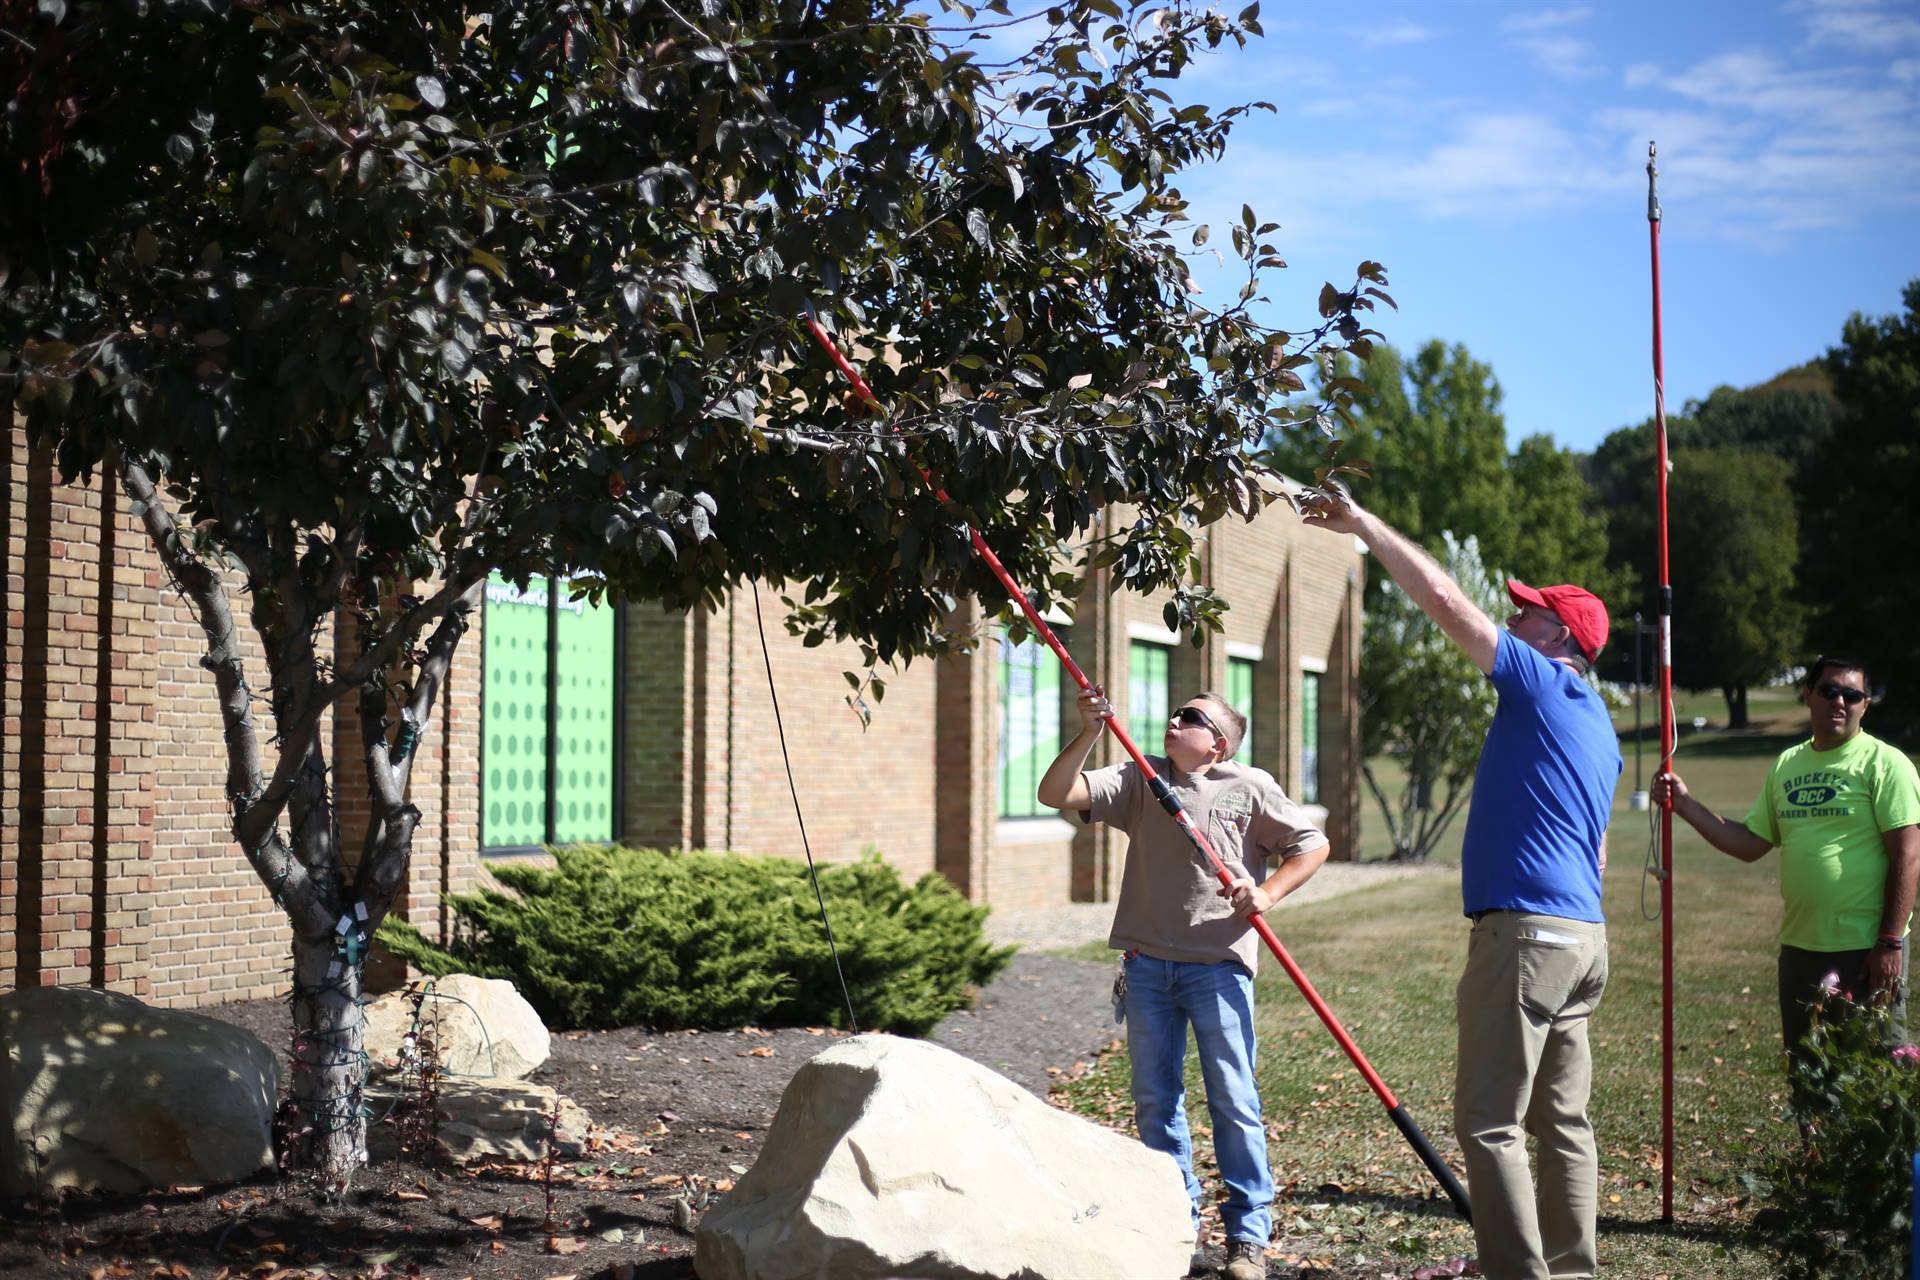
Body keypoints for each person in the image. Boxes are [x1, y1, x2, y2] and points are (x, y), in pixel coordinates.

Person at [1299, 487, 1620, 1280]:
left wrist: (1365, 526)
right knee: (1564, 1123)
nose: (1512, 619)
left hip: (1530, 938)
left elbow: (1445, 601)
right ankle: (1569, 1271)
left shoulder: (1542, 685)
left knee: (1489, 1121)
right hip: (1584, 941)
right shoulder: (1601, 725)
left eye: (1528, 613)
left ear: (1562, 638)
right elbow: (1602, 849)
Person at [1038, 687, 1330, 1280]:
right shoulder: (1138, 778)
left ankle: (1247, 1236)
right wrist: (1090, 730)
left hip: (1218, 966)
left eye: (1191, 718)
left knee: (1233, 1098)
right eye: (1176, 713)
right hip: (1146, 965)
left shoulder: (1248, 786)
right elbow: (1055, 793)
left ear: (1218, 741)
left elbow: (1312, 845)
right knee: (1155, 1103)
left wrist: (1267, 892)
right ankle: (1175, 1226)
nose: (1175, 721)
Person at [1652, 656, 1920, 1068]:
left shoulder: (1886, 764)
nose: (1840, 702)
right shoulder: (1787, 765)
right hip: (1801, 949)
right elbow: (1750, 843)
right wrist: (1684, 805)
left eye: (1853, 695)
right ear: (1808, 694)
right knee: (1809, 1075)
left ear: (1865, 705)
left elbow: (1908, 854)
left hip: (1865, 950)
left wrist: (1888, 942)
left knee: (1874, 1080)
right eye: (1830, 691)